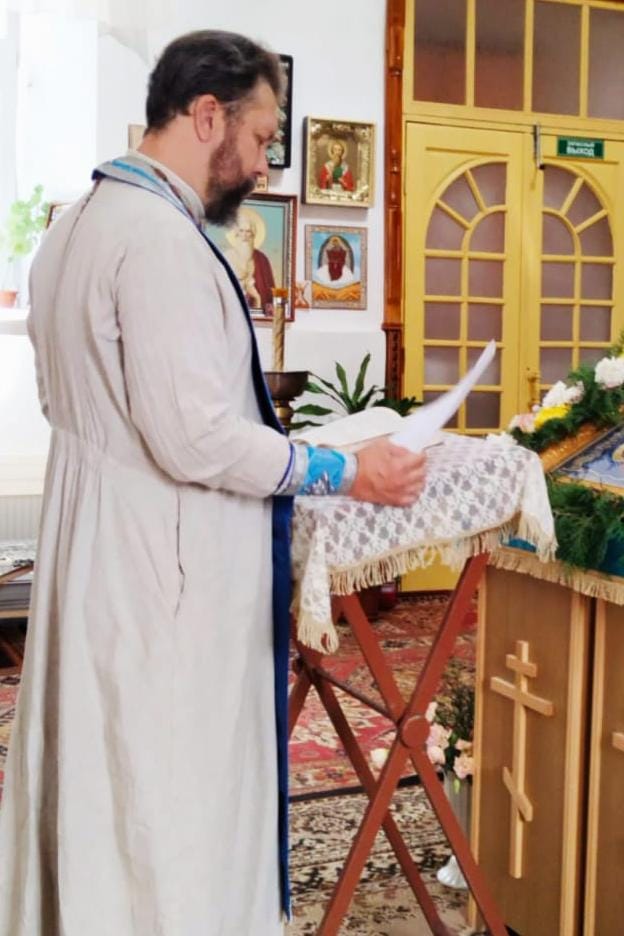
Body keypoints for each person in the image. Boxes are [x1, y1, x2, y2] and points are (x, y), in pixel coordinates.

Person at [0, 30, 427, 936]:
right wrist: (345, 469)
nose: (266, 162)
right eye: (263, 136)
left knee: (102, 774)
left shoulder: (72, 226)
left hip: (96, 547)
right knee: (169, 794)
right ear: (206, 116)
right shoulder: (160, 242)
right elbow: (194, 439)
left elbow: (68, 400)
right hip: (164, 572)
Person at [224, 210, 275, 313]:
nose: (245, 235)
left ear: (253, 234)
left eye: (248, 231)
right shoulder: (227, 257)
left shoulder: (262, 259)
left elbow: (269, 295)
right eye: (241, 231)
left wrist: (257, 298)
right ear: (236, 233)